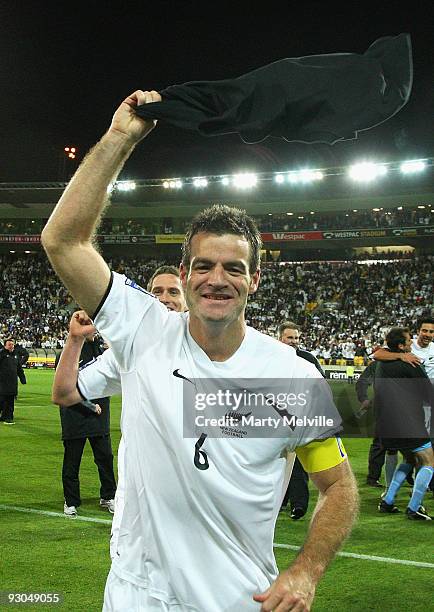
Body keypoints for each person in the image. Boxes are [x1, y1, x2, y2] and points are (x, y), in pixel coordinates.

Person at [42, 89, 358, 612]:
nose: (218, 279)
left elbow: (339, 487)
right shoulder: (143, 330)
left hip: (238, 599)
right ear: (184, 276)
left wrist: (306, 572)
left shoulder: (294, 376)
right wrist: (121, 139)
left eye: (234, 268)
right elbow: (64, 241)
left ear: (255, 280)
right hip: (137, 597)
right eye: (204, 266)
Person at [55, 323, 117, 517]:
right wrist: (88, 406)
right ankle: (71, 501)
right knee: (72, 461)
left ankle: (108, 496)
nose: (94, 329)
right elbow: (65, 387)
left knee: (105, 458)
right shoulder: (70, 351)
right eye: (90, 325)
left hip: (100, 416)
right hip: (75, 415)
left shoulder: (103, 349)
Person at [374, 327, 434, 520]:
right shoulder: (411, 364)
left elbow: (378, 353)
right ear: (401, 345)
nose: (411, 345)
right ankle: (414, 507)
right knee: (429, 460)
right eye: (409, 342)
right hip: (407, 421)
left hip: (386, 423)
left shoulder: (382, 364)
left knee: (409, 459)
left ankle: (388, 501)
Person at [278, 321, 324, 520]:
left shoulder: (307, 358)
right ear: (280, 337)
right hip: (274, 418)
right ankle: (280, 501)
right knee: (277, 461)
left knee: (297, 464)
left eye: (296, 338)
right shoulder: (269, 356)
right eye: (290, 338)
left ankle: (299, 505)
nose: (294, 342)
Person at [355, 360, 399, 489]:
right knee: (383, 443)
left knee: (382, 443)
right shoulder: (380, 363)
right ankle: (375, 477)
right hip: (388, 407)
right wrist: (363, 398)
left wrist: (364, 399)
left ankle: (374, 477)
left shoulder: (379, 363)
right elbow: (363, 382)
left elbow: (362, 381)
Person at [0, 338, 26, 424]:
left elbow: (19, 368)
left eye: (12, 345)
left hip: (12, 382)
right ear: (5, 346)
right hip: (2, 382)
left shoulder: (15, 355)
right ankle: (3, 415)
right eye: (9, 345)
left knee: (10, 400)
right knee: (2, 399)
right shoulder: (1, 354)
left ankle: (8, 417)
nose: (11, 346)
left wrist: (22, 378)